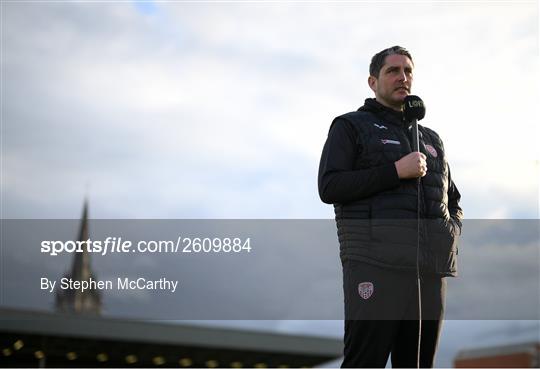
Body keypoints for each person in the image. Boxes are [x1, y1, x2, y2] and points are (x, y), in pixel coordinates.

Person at [318, 46, 463, 368]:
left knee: (417, 364)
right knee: (365, 361)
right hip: (374, 263)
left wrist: (450, 233)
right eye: (393, 71)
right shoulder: (350, 126)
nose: (403, 78)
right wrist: (395, 171)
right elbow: (330, 187)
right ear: (373, 82)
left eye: (408, 71)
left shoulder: (431, 139)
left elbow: (452, 198)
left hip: (428, 269)